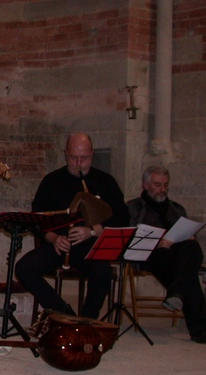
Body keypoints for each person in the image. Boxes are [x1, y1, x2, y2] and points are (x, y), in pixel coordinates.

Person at [15, 133, 129, 319]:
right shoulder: (51, 181)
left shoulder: (105, 181)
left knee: (103, 273)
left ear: (92, 154)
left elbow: (122, 217)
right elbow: (36, 219)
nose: (78, 163)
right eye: (73, 158)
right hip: (57, 246)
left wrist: (92, 230)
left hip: (90, 246)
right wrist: (53, 238)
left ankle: (86, 320)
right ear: (65, 154)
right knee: (24, 268)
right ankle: (63, 313)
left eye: (84, 158)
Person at [127, 166, 206, 344]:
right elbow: (127, 238)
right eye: (157, 185)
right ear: (145, 184)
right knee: (187, 275)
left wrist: (188, 236)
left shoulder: (176, 208)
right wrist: (157, 242)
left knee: (193, 249)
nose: (162, 189)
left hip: (177, 253)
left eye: (165, 185)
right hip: (150, 255)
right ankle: (199, 329)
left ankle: (176, 292)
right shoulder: (133, 208)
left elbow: (185, 234)